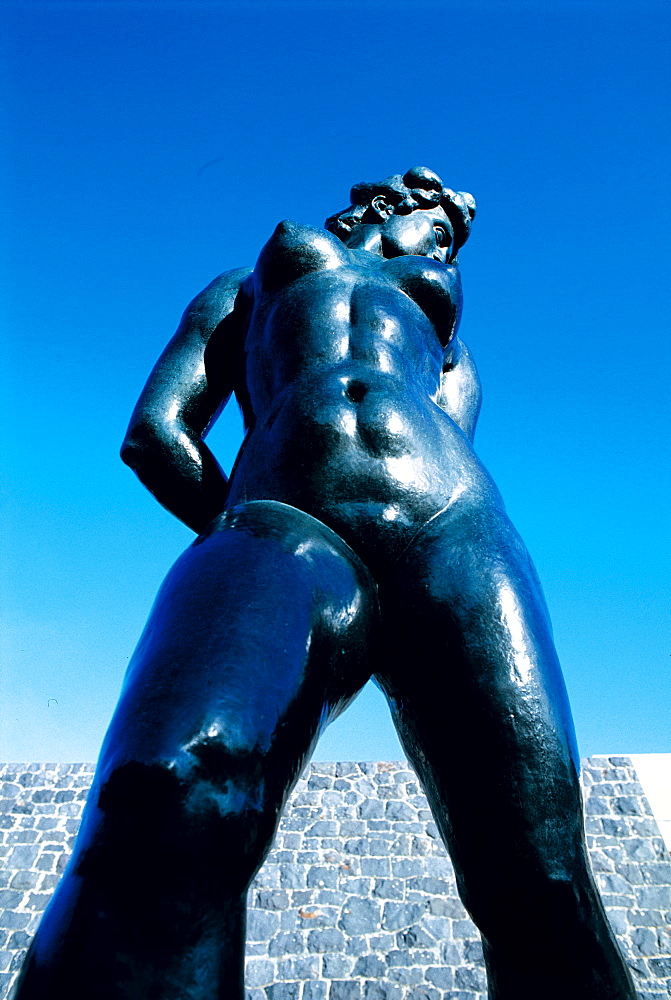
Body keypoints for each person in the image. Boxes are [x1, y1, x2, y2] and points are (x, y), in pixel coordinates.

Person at [15, 167, 636, 1000]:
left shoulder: (447, 344)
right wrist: (243, 550)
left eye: (452, 249)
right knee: (166, 789)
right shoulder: (246, 287)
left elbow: (454, 435)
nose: (448, 252)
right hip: (281, 523)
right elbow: (157, 433)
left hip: (449, 525)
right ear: (389, 207)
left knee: (540, 875)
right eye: (441, 231)